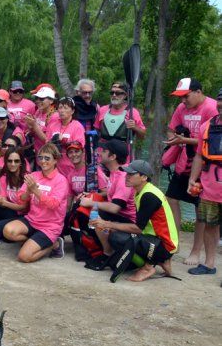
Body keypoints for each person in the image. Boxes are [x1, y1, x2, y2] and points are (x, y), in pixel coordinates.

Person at [93, 160, 178, 282]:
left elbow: (138, 228)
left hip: (164, 245)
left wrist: (108, 224)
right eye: (127, 174)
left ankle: (149, 266)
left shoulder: (148, 196)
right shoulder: (142, 190)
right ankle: (160, 261)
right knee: (116, 249)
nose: (126, 177)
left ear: (144, 177)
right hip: (155, 239)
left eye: (131, 174)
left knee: (116, 238)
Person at [165, 77, 217, 266]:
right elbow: (171, 130)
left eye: (186, 96)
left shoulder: (212, 109)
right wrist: (175, 138)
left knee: (199, 208)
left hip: (204, 166)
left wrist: (184, 141)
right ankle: (175, 241)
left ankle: (196, 251)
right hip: (184, 162)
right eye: (180, 97)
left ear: (198, 92)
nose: (183, 101)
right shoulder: (181, 109)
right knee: (171, 198)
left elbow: (212, 142)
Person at [0, 143, 69, 262]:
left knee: (24, 257)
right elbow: (21, 199)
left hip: (50, 226)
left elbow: (54, 204)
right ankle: (32, 242)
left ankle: (54, 245)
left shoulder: (61, 181)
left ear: (55, 160)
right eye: (40, 158)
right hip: (32, 220)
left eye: (47, 158)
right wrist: (28, 191)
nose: (43, 161)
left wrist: (36, 191)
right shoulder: (34, 175)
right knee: (7, 231)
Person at [78, 139, 136, 267]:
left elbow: (115, 207)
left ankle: (107, 253)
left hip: (127, 220)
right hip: (119, 215)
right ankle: (98, 246)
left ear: (113, 157)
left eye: (104, 151)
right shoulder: (115, 172)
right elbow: (111, 193)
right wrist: (94, 195)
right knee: (90, 210)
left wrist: (91, 202)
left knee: (97, 215)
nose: (100, 153)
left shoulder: (122, 177)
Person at [186, 88, 222, 276]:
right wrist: (193, 178)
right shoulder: (206, 126)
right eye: (219, 100)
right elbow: (199, 156)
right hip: (210, 185)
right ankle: (209, 264)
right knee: (209, 225)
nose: (221, 104)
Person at [42, 97, 85, 171]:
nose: (62, 111)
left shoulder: (77, 126)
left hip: (72, 167)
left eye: (65, 108)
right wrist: (53, 141)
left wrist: (64, 141)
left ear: (72, 111)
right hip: (55, 166)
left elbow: (80, 146)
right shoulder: (52, 125)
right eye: (60, 108)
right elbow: (47, 144)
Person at [23, 86, 59, 162]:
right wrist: (30, 127)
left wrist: (34, 125)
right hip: (38, 154)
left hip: (48, 158)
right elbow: (35, 132)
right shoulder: (39, 112)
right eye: (37, 98)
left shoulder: (55, 116)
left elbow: (48, 140)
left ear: (51, 101)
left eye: (42, 99)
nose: (38, 101)